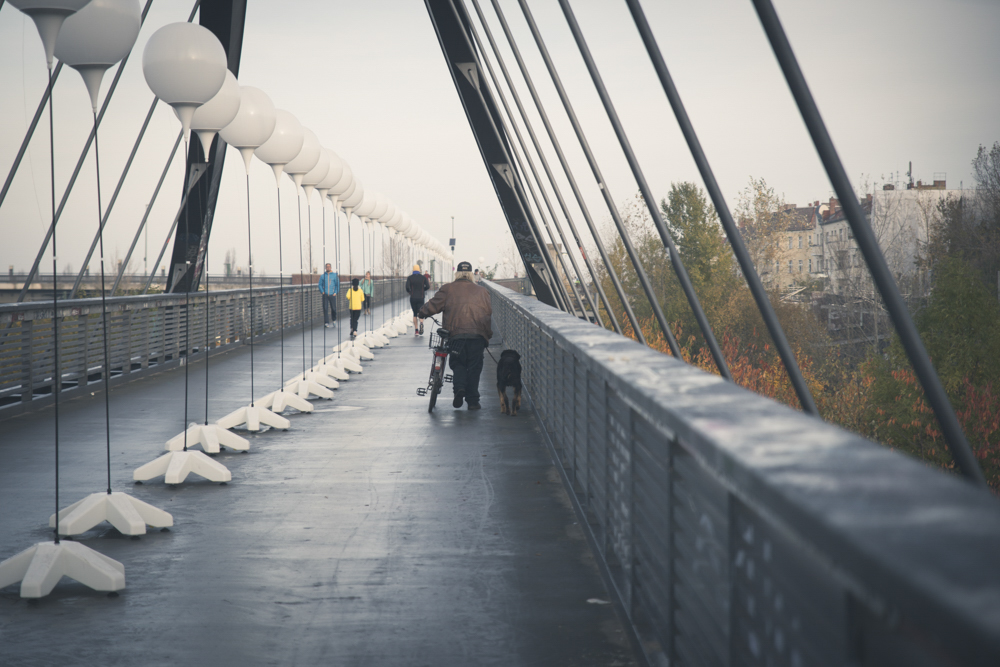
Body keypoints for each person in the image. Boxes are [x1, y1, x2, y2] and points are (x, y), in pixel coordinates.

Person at [418, 261, 492, 410]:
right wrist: (487, 335)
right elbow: (487, 314)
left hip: (456, 335)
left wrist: (422, 312)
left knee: (458, 363)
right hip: (477, 335)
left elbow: (433, 305)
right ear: (471, 275)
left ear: (457, 274)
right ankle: (472, 401)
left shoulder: (448, 289)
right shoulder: (482, 291)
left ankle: (459, 388)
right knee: (474, 367)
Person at [405, 264, 431, 336]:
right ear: (419, 270)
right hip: (421, 297)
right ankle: (421, 323)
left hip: (413, 297)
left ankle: (416, 330)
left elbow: (407, 287)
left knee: (415, 314)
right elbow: (428, 286)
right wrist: (423, 290)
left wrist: (410, 292)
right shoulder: (423, 278)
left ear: (413, 270)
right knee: (421, 313)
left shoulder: (410, 278)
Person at [318, 263, 339, 328]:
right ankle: (326, 322)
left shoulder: (335, 275)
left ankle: (334, 320)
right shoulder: (322, 276)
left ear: (331, 267)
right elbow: (320, 284)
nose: (328, 268)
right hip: (325, 294)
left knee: (333, 308)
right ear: (325, 268)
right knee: (325, 308)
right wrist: (322, 292)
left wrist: (335, 292)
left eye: (329, 267)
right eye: (327, 267)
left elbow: (337, 285)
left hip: (332, 294)